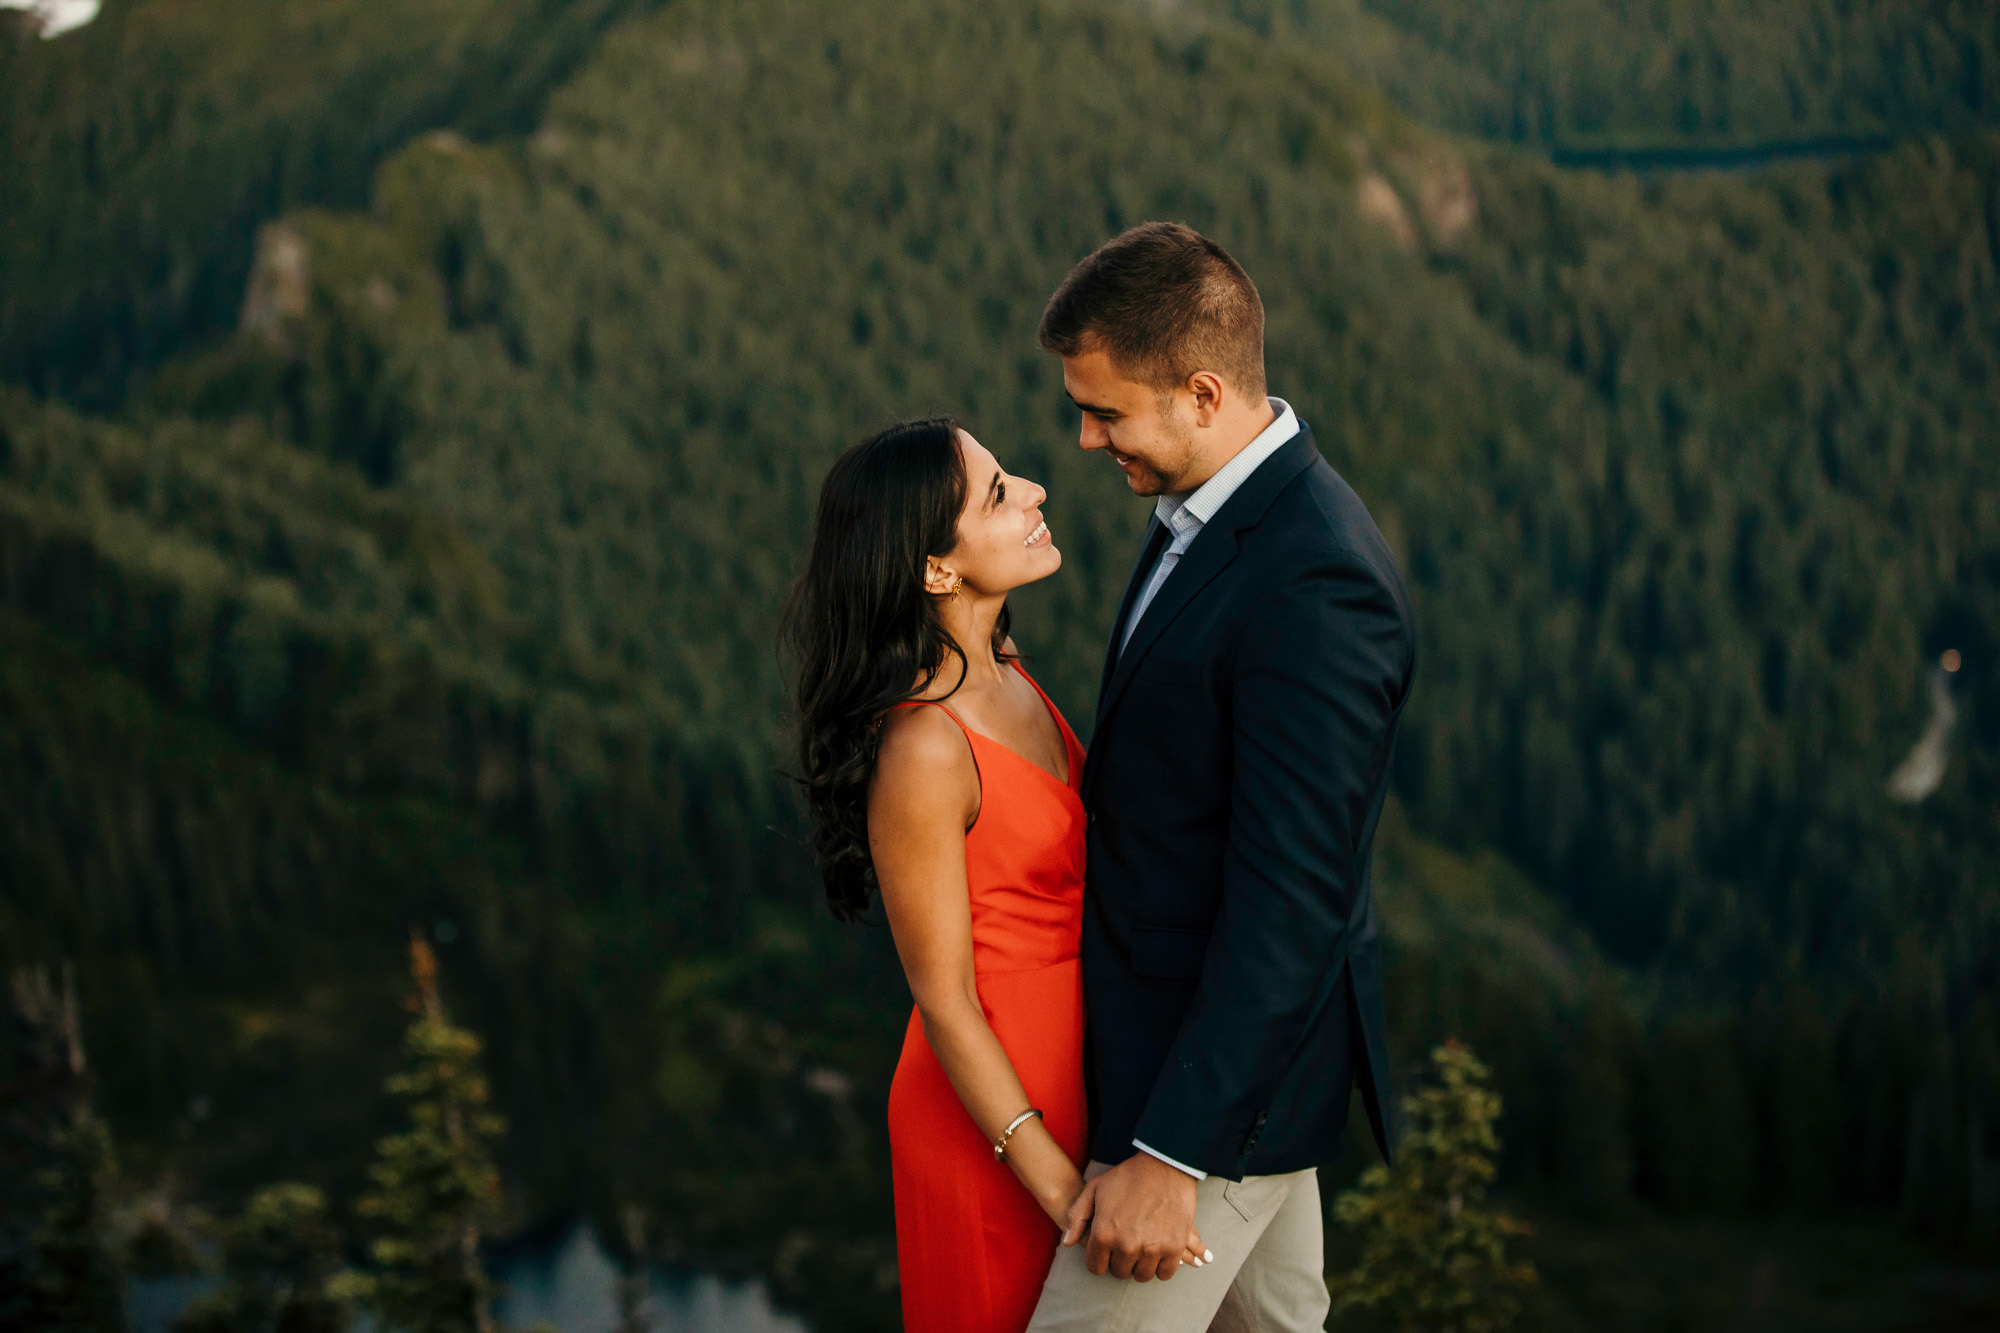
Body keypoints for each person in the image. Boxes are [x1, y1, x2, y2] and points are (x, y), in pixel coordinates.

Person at [1027, 222, 1416, 1333]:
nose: (1088, 442)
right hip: (1219, 1074)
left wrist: (1168, 1152)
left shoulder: (1318, 579)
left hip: (1204, 1105)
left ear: (1202, 393)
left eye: (1105, 412)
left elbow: (1292, 896)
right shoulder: (1201, 508)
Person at [784, 417, 1207, 1333]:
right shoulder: (924, 744)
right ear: (937, 569)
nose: (1037, 492)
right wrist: (1055, 1182)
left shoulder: (1006, 668)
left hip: (1079, 1070)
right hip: (993, 1117)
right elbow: (944, 1001)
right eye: (999, 492)